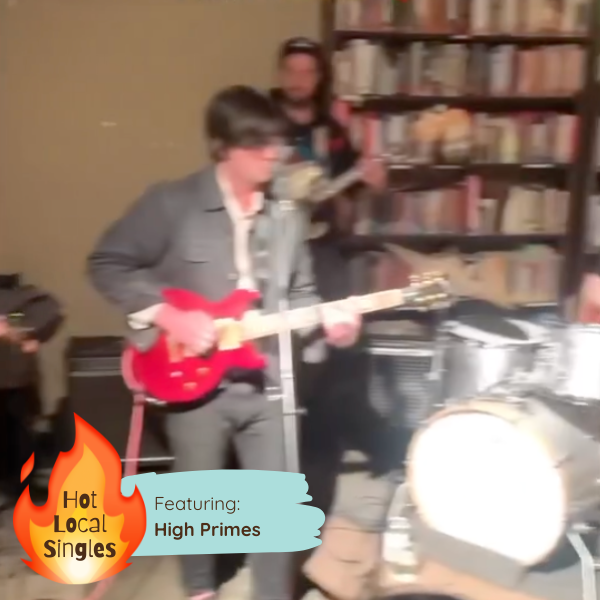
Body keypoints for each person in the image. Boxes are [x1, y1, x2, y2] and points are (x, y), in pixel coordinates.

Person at [86, 85, 362, 600]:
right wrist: (169, 315)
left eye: (276, 142)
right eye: (257, 144)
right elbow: (107, 263)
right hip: (194, 382)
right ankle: (199, 591)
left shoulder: (288, 214)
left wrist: (330, 325)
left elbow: (301, 295)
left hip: (268, 381)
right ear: (222, 147)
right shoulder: (172, 203)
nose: (272, 154)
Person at [271, 38, 401, 600]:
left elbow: (361, 184)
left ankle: (360, 445)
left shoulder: (334, 130)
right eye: (292, 70)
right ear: (281, 73)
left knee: (341, 363)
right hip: (272, 258)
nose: (299, 79)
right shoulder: (263, 121)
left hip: (325, 256)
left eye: (308, 71)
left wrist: (372, 179)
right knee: (288, 372)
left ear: (318, 77)